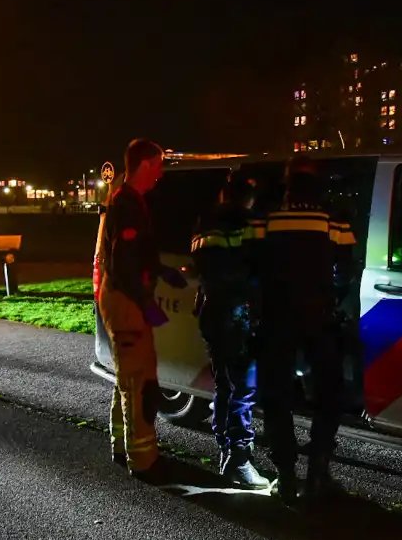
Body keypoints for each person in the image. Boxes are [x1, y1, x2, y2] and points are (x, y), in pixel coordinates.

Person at [254, 156, 356, 503]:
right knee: (328, 395)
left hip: (276, 319)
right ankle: (318, 472)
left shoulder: (268, 216)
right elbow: (345, 271)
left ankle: (285, 477)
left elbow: (253, 261)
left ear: (288, 182)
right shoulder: (333, 217)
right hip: (319, 318)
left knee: (276, 395)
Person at [99, 138, 186, 477]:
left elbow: (137, 255)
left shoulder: (128, 199)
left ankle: (123, 446)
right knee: (139, 383)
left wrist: (163, 271)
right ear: (146, 164)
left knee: (129, 378)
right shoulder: (128, 204)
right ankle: (144, 462)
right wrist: (145, 301)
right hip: (126, 300)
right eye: (159, 165)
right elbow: (124, 265)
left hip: (124, 297)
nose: (161, 173)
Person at [189, 171, 269, 489]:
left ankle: (227, 453)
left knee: (225, 386)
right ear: (245, 196)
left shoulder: (204, 222)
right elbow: (249, 270)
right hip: (234, 317)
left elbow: (207, 268)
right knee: (242, 390)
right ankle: (239, 460)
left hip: (213, 313)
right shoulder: (242, 224)